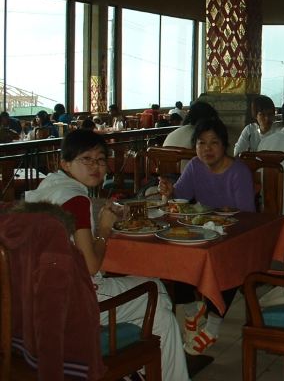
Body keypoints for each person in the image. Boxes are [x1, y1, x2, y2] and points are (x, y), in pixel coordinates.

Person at [25, 130, 191, 380]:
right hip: (76, 303)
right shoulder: (76, 200)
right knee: (156, 291)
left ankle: (140, 370)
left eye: (101, 160)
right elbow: (91, 266)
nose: (95, 166)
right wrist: (104, 230)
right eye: (86, 159)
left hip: (40, 301)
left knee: (160, 314)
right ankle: (143, 370)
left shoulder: (48, 188)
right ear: (65, 163)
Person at [158, 117, 255, 354]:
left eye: (214, 142)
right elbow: (180, 198)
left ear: (225, 145)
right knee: (174, 252)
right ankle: (193, 310)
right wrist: (169, 192)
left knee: (227, 264)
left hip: (235, 238)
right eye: (201, 143)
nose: (207, 149)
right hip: (203, 236)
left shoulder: (238, 171)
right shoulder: (195, 166)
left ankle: (212, 327)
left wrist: (222, 215)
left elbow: (247, 215)